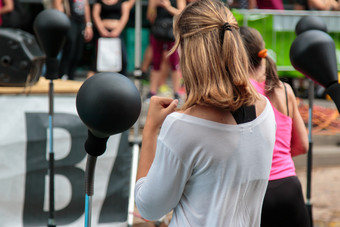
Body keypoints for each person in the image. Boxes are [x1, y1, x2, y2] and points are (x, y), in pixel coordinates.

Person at [134, 0, 277, 226]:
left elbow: (149, 207)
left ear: (189, 52)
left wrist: (150, 129)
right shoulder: (265, 110)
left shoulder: (184, 126)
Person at [239, 26, 310, 227]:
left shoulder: (241, 93)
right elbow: (302, 145)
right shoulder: (285, 90)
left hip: (258, 190)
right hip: (290, 186)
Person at [146, 0, 186, 100]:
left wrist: (168, 7)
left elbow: (182, 14)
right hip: (158, 32)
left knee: (174, 62)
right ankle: (152, 91)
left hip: (172, 32)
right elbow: (150, 18)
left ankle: (176, 93)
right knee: (156, 62)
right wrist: (153, 6)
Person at [87, 0, 132, 78]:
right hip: (102, 34)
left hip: (117, 34)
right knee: (97, 61)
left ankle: (123, 85)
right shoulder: (99, 1)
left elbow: (125, 16)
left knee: (122, 61)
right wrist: (102, 30)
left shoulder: (122, 2)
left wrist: (117, 31)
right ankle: (87, 86)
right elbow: (95, 15)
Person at [54, 0, 93, 80]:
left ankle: (71, 76)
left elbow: (86, 5)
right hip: (70, 20)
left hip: (81, 22)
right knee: (70, 47)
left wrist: (88, 24)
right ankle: (63, 74)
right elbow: (58, 3)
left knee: (78, 51)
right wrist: (61, 19)